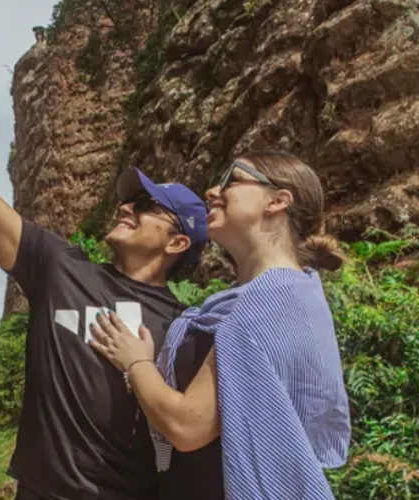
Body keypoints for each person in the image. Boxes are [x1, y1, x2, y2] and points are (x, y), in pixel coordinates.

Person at [0, 34, 211, 500]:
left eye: (146, 207)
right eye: (128, 201)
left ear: (178, 242)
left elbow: (191, 436)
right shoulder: (59, 268)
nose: (126, 208)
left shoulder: (185, 329)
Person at [88, 151, 352, 499]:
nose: (212, 191)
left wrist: (136, 362)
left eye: (233, 179)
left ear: (277, 201)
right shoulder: (280, 296)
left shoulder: (271, 302)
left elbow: (187, 426)